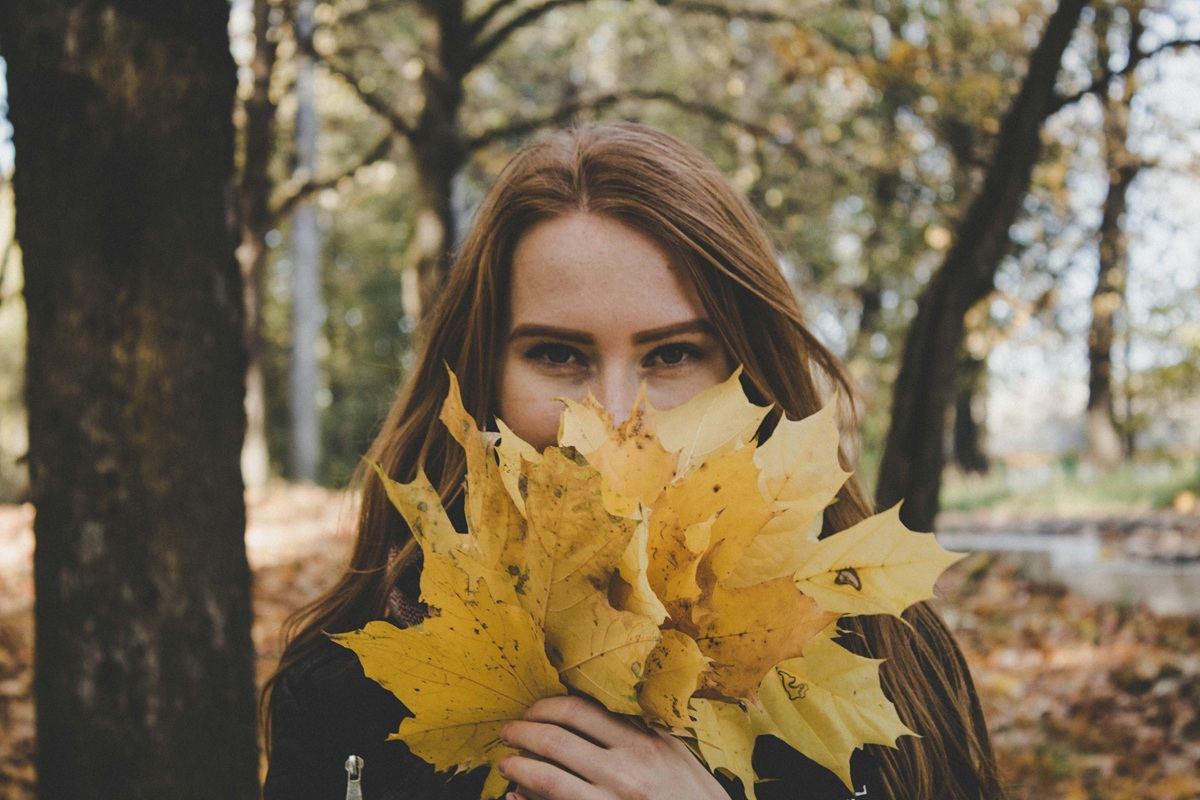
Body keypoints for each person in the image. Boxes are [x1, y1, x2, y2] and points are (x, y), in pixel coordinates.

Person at [262, 122, 1003, 800]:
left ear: (748, 373)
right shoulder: (350, 693)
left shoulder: (885, 664)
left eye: (672, 354)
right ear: (482, 377)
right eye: (557, 354)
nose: (612, 422)